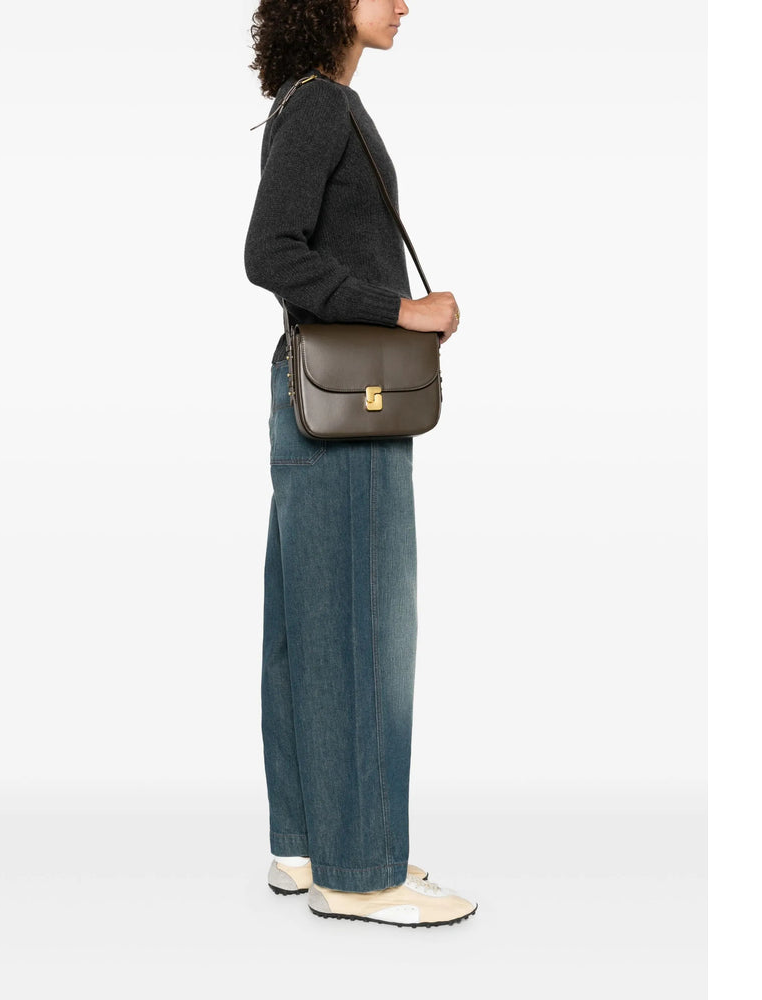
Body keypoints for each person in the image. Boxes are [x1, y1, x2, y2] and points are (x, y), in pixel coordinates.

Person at [244, 0, 476, 928]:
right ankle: (361, 871)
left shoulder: (307, 100)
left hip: (317, 394)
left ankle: (307, 844)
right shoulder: (322, 104)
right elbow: (269, 251)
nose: (405, 4)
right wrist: (400, 310)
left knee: (307, 623)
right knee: (363, 628)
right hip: (350, 402)